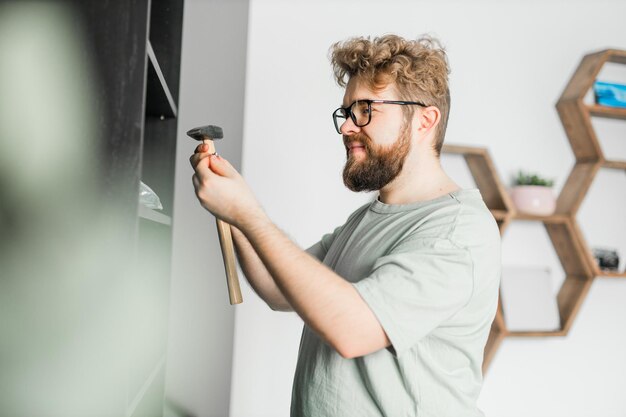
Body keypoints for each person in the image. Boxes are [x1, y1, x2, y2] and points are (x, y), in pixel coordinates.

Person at [190, 34, 501, 417]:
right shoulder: (370, 217)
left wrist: (248, 214)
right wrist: (234, 216)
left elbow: (353, 330)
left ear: (424, 120)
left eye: (366, 109)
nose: (347, 127)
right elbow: (279, 289)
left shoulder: (457, 231)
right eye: (347, 112)